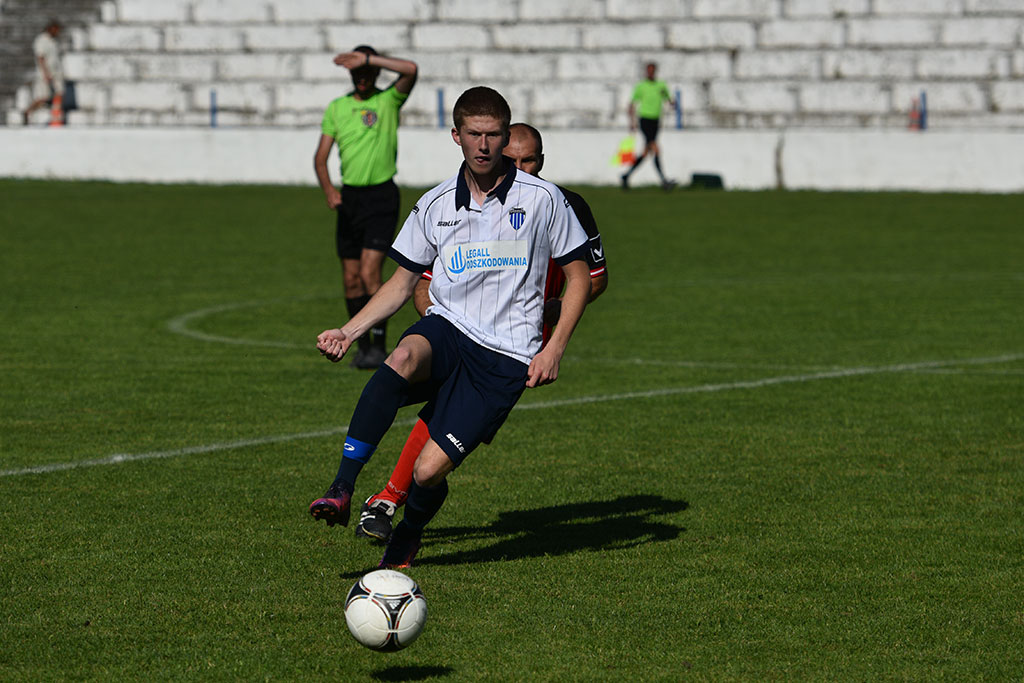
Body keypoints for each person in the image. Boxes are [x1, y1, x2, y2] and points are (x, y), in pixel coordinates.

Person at [309, 87, 593, 569]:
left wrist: (554, 348)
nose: (484, 145)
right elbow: (400, 286)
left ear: (506, 138)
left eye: (494, 135)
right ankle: (342, 486)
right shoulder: (436, 203)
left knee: (427, 471)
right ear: (456, 136)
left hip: (505, 358)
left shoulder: (544, 200)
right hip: (449, 329)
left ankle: (409, 533)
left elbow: (580, 276)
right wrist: (349, 331)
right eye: (474, 134)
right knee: (400, 358)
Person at [354, 122, 609, 543]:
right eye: (514, 160)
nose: (522, 167)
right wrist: (443, 322)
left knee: (445, 424)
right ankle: (387, 500)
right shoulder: (472, 203)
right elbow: (422, 280)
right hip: (460, 332)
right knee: (440, 405)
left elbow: (594, 278)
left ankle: (396, 496)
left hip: (515, 343)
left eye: (531, 161)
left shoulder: (561, 205)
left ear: (542, 162)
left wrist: (556, 312)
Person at [313, 45, 418, 369]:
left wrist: (369, 59)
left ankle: (378, 345)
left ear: (374, 72)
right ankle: (360, 343)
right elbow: (320, 157)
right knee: (351, 278)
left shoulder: (387, 101)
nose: (361, 78)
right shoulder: (337, 107)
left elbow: (411, 69)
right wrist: (329, 189)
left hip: (381, 196)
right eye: (357, 72)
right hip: (350, 198)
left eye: (367, 72)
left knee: (371, 270)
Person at [621, 61, 676, 191]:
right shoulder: (641, 86)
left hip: (656, 120)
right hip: (645, 120)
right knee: (655, 148)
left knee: (646, 153)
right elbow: (632, 104)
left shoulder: (661, 85)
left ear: (655, 71)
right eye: (649, 70)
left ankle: (626, 176)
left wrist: (672, 103)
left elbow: (669, 99)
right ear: (646, 71)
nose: (650, 72)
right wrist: (632, 122)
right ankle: (664, 181)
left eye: (652, 70)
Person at [22, 20, 65, 127]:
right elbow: (40, 57)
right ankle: (28, 112)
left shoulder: (53, 41)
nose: (57, 32)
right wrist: (46, 73)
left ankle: (56, 118)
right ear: (51, 28)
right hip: (44, 73)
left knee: (60, 92)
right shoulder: (41, 40)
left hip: (56, 72)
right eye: (56, 30)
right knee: (43, 97)